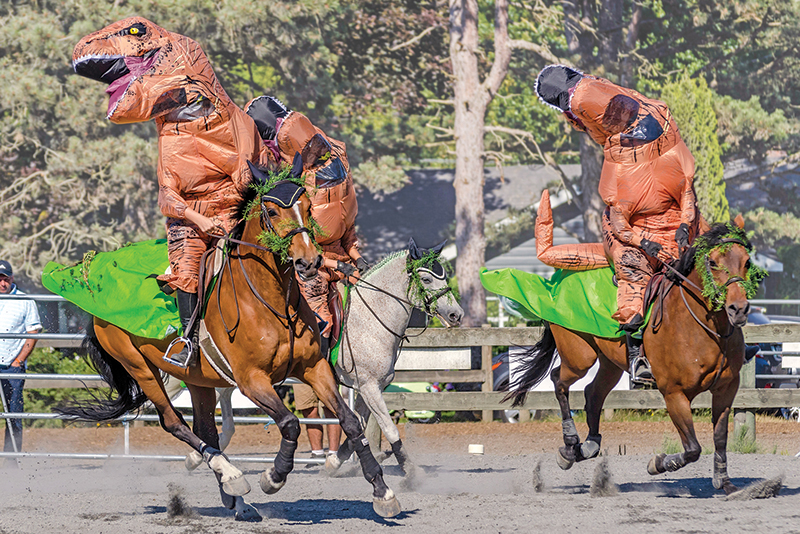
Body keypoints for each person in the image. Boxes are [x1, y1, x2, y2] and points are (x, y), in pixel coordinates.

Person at [535, 65, 699, 383]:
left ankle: (730, 335)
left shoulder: (599, 107)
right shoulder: (621, 173)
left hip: (660, 197)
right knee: (633, 270)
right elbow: (622, 225)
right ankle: (637, 357)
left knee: (715, 255)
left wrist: (685, 224)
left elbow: (687, 194)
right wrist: (646, 242)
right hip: (636, 226)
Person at [245, 96, 368, 357]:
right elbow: (310, 240)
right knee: (318, 319)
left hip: (331, 262)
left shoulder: (300, 176)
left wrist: (353, 258)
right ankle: (313, 368)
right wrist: (350, 259)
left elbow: (339, 222)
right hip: (324, 263)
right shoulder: (332, 159)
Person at [0, 260, 42, 457]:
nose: (2, 283)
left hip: (11, 365)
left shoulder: (26, 301)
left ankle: (11, 459)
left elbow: (33, 332)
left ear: (12, 278)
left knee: (13, 414)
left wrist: (18, 360)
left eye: (5, 279)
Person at [293, 383, 342, 460]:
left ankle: (334, 455)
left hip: (325, 373)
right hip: (301, 374)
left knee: (331, 410)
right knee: (308, 409)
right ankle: (317, 455)